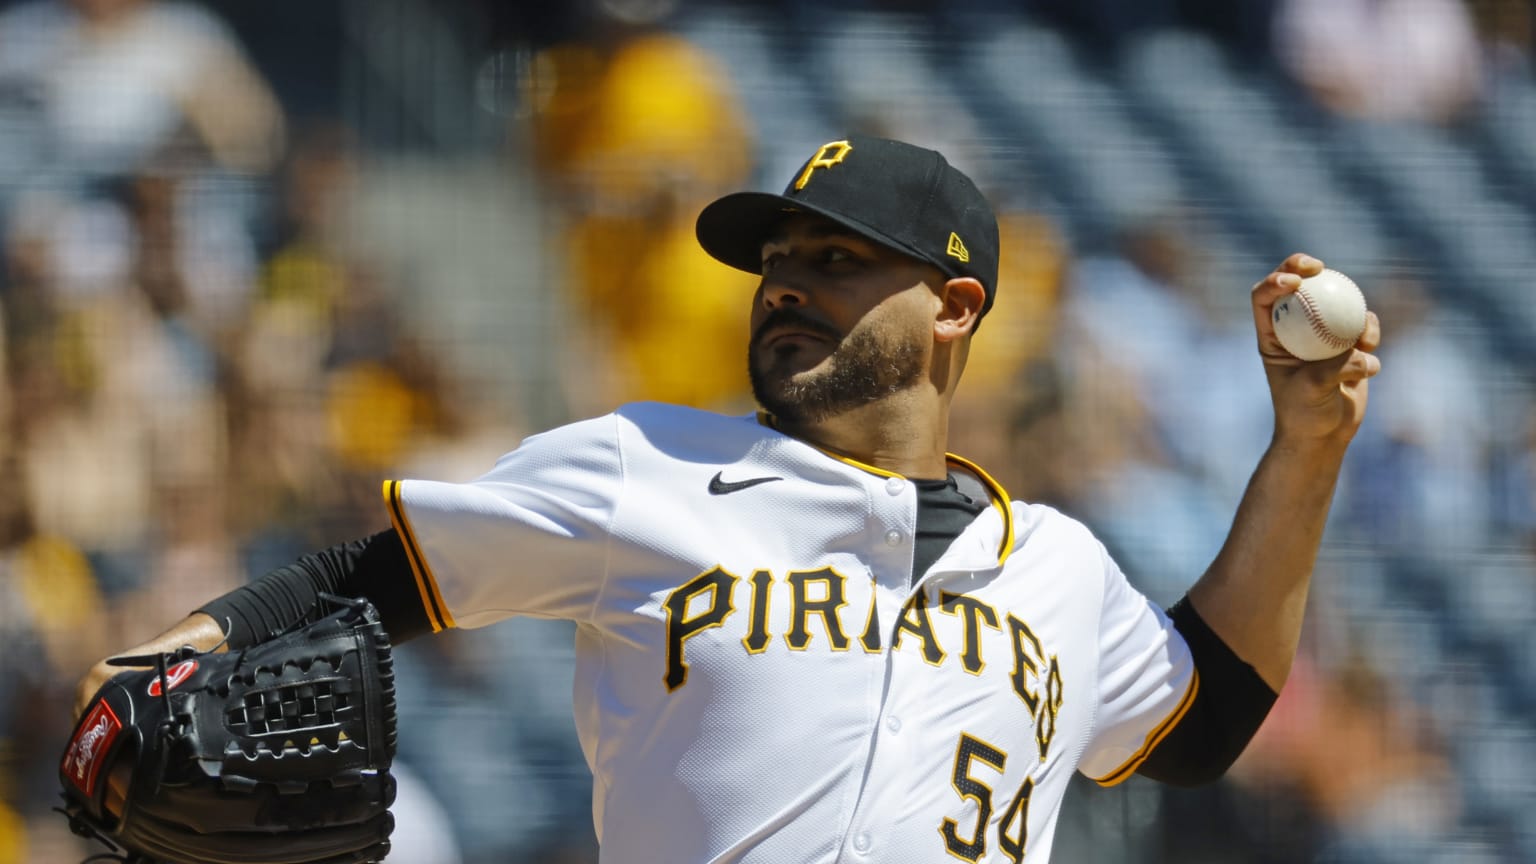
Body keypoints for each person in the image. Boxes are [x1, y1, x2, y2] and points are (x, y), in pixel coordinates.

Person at [71, 135, 1381, 862]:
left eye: (837, 257)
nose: (786, 281)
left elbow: (1202, 721)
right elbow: (370, 581)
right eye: (777, 259)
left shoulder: (1059, 567)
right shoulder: (645, 467)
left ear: (956, 307)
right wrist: (172, 654)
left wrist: (1310, 446)